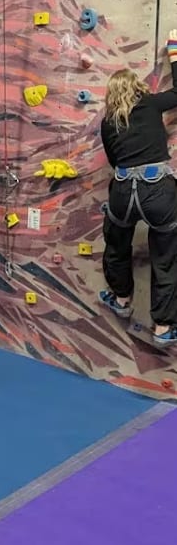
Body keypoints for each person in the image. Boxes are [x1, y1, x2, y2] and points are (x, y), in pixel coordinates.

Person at [99, 30, 177, 347]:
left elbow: (112, 158)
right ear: (137, 88)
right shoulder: (149, 105)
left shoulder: (107, 122)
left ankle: (121, 299)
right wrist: (174, 52)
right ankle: (163, 327)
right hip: (157, 190)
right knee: (166, 256)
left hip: (122, 193)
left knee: (117, 246)